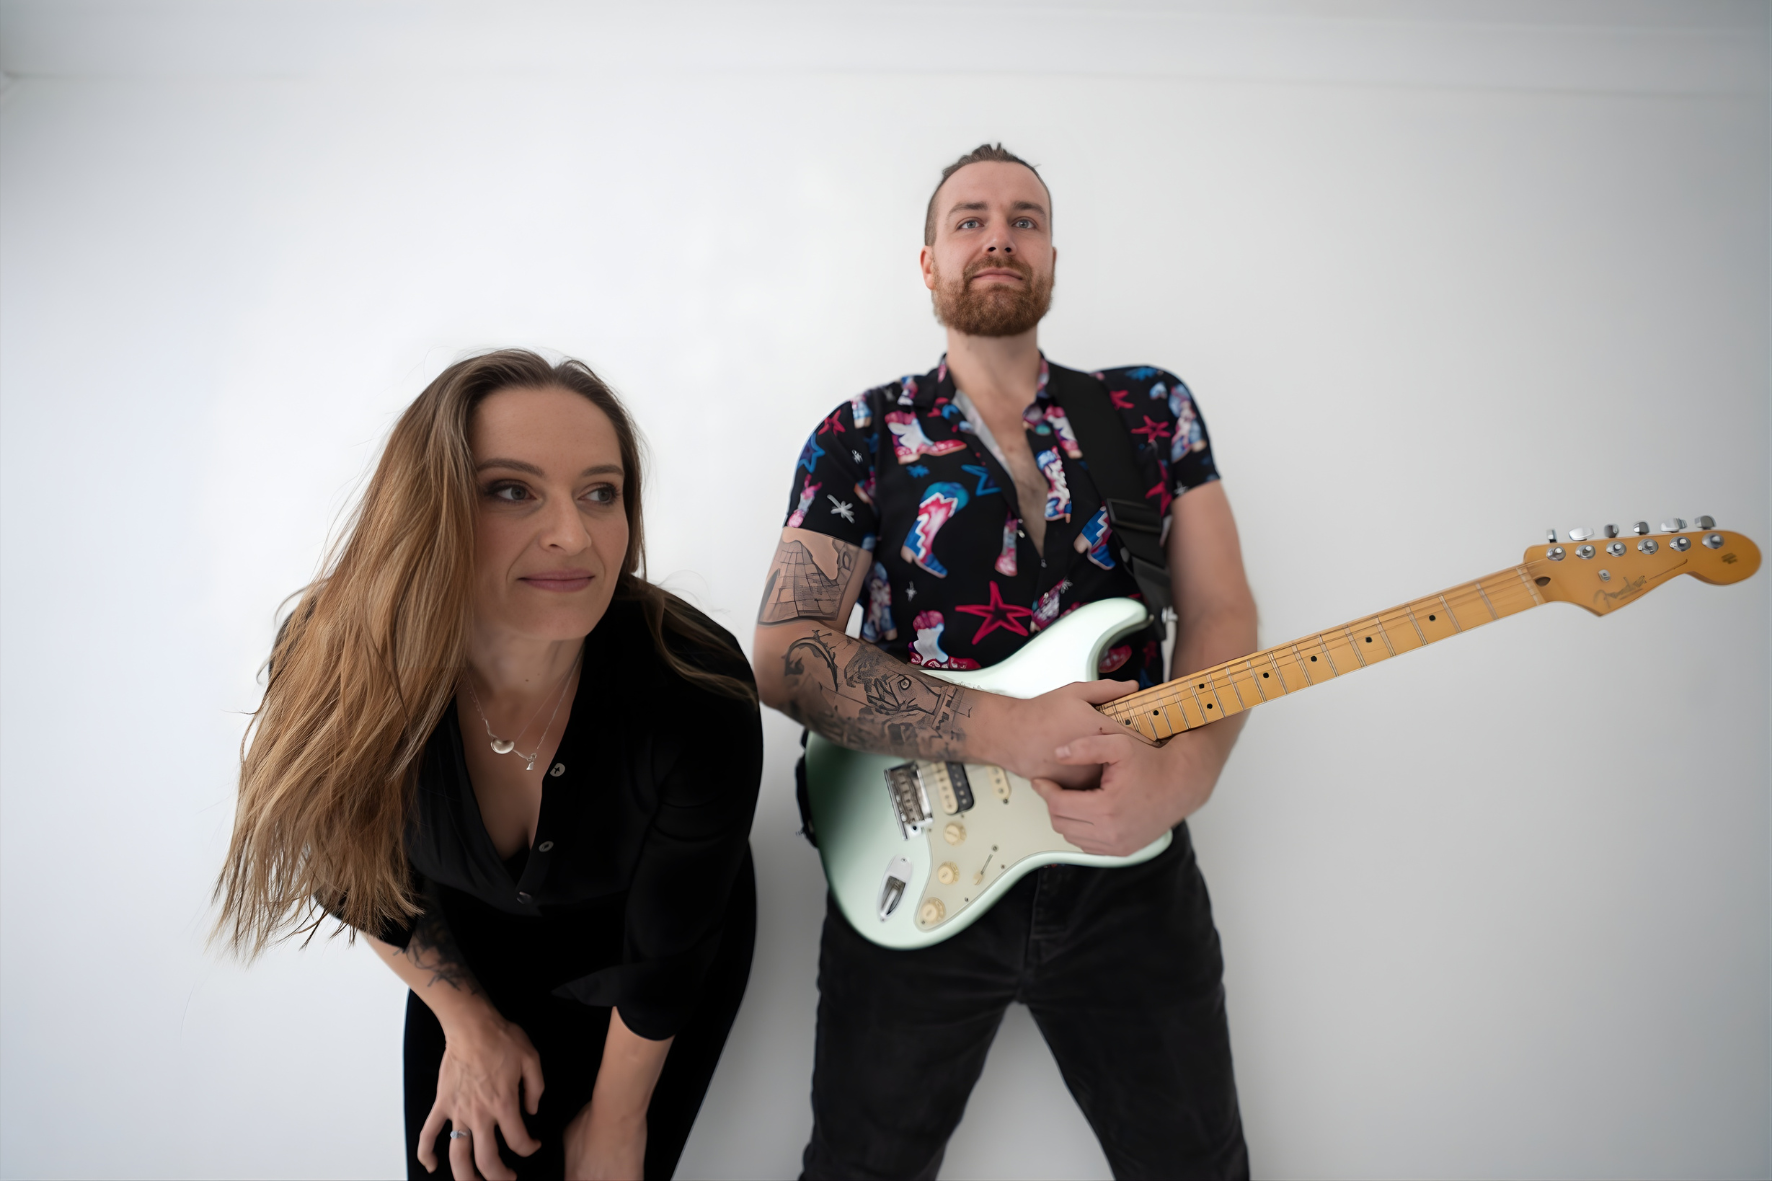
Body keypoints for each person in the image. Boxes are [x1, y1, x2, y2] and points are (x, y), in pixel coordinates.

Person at [753, 145, 1258, 1179]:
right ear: (928, 262)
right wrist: (1010, 729)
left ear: (1052, 256)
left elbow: (1219, 607)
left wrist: (1185, 776)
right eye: (970, 219)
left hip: (1130, 870)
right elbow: (788, 653)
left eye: (1025, 219)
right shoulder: (858, 436)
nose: (998, 237)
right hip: (908, 860)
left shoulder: (1149, 411)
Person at [216, 350, 762, 1180]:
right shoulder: (336, 658)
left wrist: (617, 1123)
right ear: (427, 507)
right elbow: (348, 866)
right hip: (465, 947)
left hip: (656, 946)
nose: (573, 535)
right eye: (511, 490)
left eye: (600, 492)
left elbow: (668, 954)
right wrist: (465, 1023)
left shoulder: (698, 688)